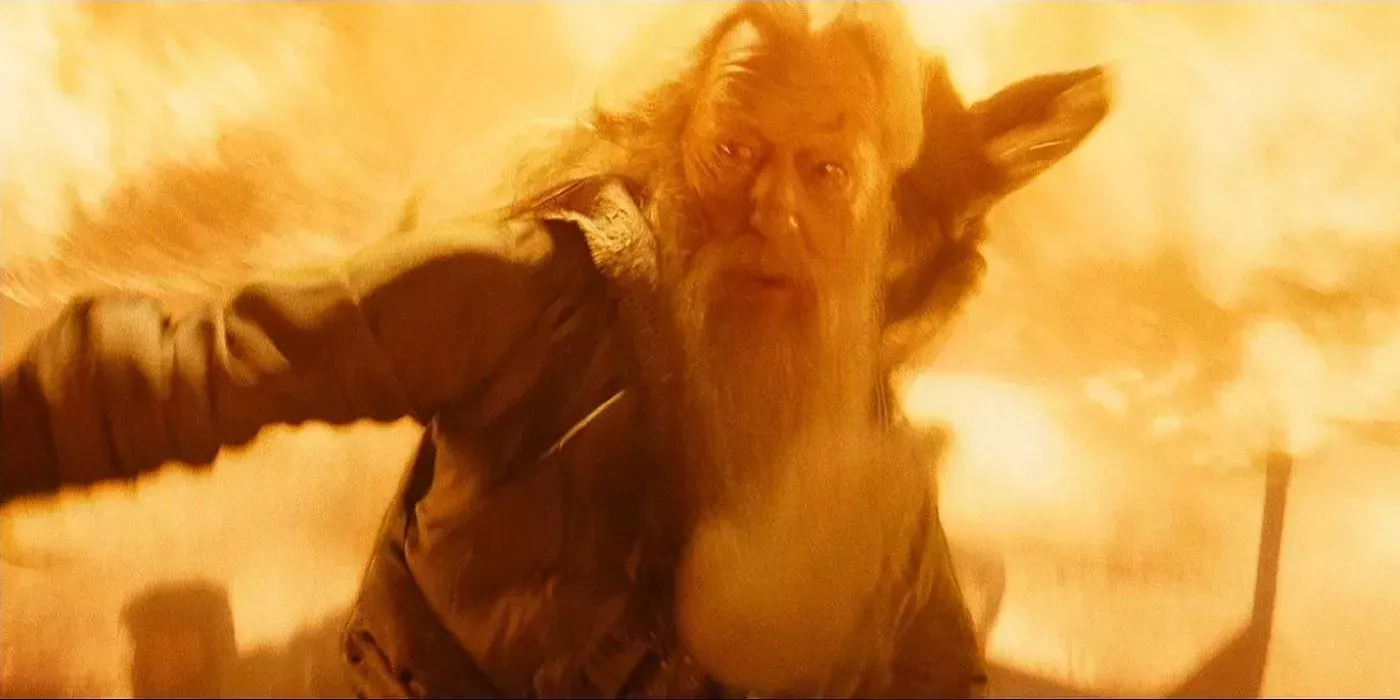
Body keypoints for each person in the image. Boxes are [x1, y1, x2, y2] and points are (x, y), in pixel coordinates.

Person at [0, 3, 1111, 697]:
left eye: (826, 171)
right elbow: (217, 363)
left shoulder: (844, 407)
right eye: (735, 148)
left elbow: (929, 668)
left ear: (870, 202)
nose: (774, 207)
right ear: (669, 142)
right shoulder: (525, 295)